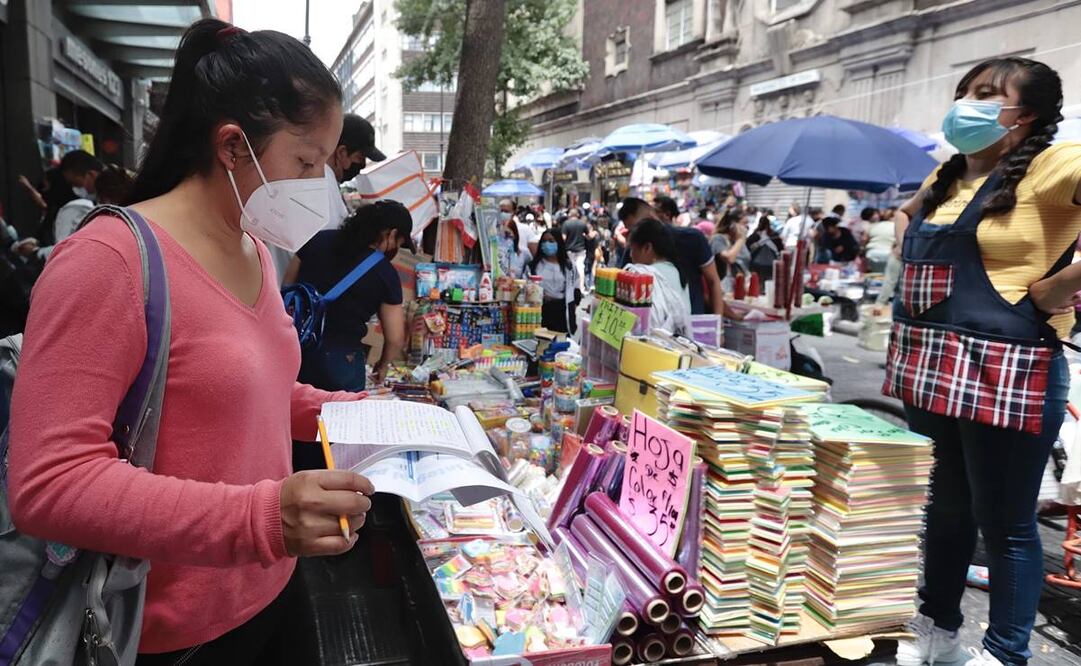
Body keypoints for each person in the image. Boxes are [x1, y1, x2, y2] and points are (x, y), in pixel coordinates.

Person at [8, 19, 375, 665]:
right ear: (233, 146)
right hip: (162, 632)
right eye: (307, 162)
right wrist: (261, 519)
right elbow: (50, 484)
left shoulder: (256, 249)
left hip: (273, 590)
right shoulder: (107, 261)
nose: (321, 186)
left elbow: (240, 387)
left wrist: (347, 412)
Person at [884, 57, 1081, 666]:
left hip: (1010, 367)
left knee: (1006, 523)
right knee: (944, 509)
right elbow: (906, 214)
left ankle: (1003, 653)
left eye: (988, 94)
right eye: (965, 90)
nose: (968, 102)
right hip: (933, 362)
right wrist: (900, 236)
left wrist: (1058, 287)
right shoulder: (949, 174)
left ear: (1027, 116)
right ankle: (938, 633)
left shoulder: (1054, 165)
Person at [285, 199, 412, 391]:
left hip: (294, 351)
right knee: (342, 418)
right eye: (398, 243)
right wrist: (383, 365)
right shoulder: (384, 272)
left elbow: (287, 287)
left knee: (295, 415)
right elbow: (395, 338)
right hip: (340, 362)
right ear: (391, 234)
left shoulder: (316, 240)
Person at [647, 195, 728, 317]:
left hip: (692, 320)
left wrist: (718, 326)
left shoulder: (693, 238)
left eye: (653, 212)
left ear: (666, 215)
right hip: (659, 323)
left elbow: (712, 281)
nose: (649, 217)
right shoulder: (642, 241)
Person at [626, 218, 692, 336]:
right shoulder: (678, 272)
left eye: (632, 249)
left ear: (647, 248)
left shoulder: (643, 275)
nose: (631, 255)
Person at [529, 228, 578, 333]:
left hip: (561, 312)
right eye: (544, 241)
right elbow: (527, 286)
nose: (547, 244)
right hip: (541, 311)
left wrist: (573, 308)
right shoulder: (533, 266)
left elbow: (576, 289)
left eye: (551, 241)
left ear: (558, 243)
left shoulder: (569, 266)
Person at [710, 206, 750, 282]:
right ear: (732, 224)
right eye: (744, 223)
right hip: (723, 286)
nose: (746, 227)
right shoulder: (718, 239)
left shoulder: (737, 241)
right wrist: (741, 239)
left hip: (740, 284)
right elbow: (729, 258)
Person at [747, 213, 783, 285]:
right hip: (771, 264)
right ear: (769, 224)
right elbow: (780, 248)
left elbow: (747, 246)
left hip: (756, 265)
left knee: (757, 284)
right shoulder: (774, 235)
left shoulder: (754, 236)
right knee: (769, 283)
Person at [496, 211, 532, 279]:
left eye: (507, 234)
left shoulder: (524, 254)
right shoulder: (494, 253)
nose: (504, 239)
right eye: (501, 236)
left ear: (515, 235)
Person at [561, 208, 588, 291]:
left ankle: (570, 286)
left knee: (570, 268)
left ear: (570, 215)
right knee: (580, 267)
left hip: (569, 250)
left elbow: (563, 238)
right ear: (578, 215)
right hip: (581, 250)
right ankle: (581, 287)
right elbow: (589, 235)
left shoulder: (566, 224)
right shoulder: (582, 224)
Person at [862, 206, 895, 273]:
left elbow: (864, 239)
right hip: (889, 254)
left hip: (872, 254)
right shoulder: (896, 226)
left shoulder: (871, 226)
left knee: (876, 274)